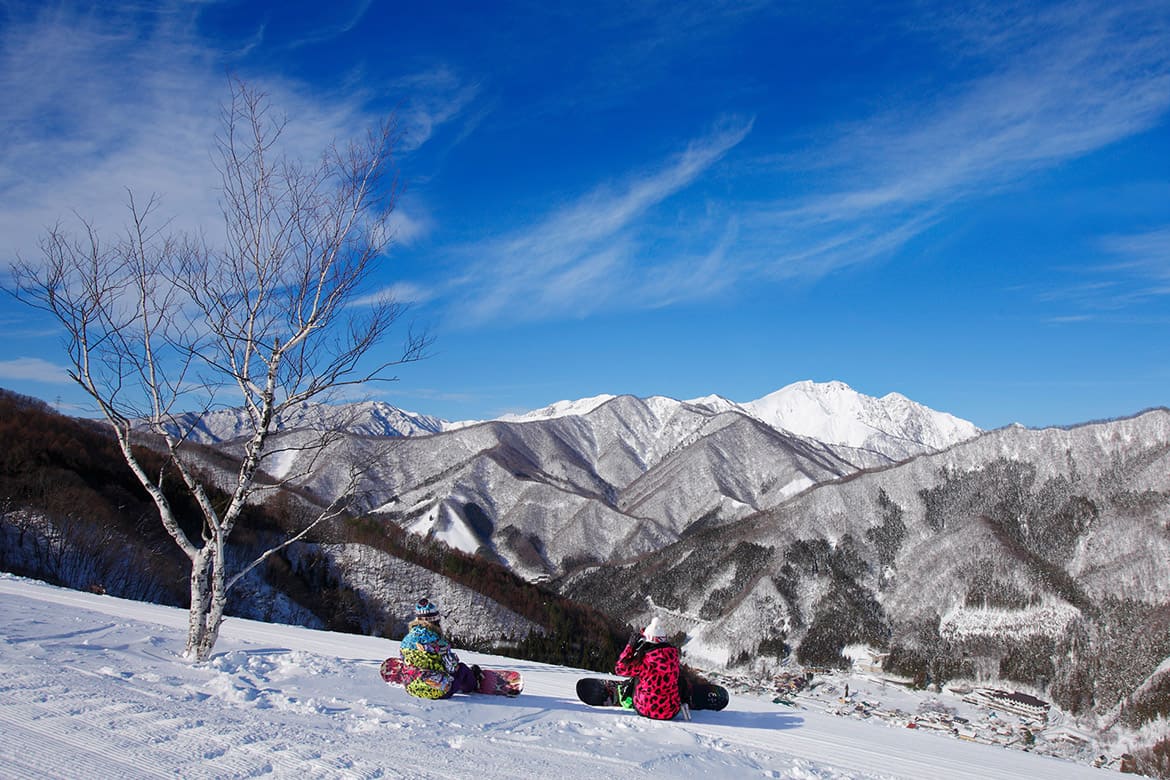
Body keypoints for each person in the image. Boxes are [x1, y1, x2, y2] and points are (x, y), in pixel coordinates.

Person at [398, 597, 481, 699]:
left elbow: (403, 658)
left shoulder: (407, 639)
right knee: (462, 669)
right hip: (438, 690)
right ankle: (473, 684)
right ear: (435, 620)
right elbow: (452, 667)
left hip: (411, 688)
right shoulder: (438, 641)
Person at [614, 616, 687, 720]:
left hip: (646, 710)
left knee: (636, 678)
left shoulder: (644, 662)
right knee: (676, 678)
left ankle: (625, 694)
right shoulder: (673, 657)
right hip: (671, 711)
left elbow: (619, 669)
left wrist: (630, 647)